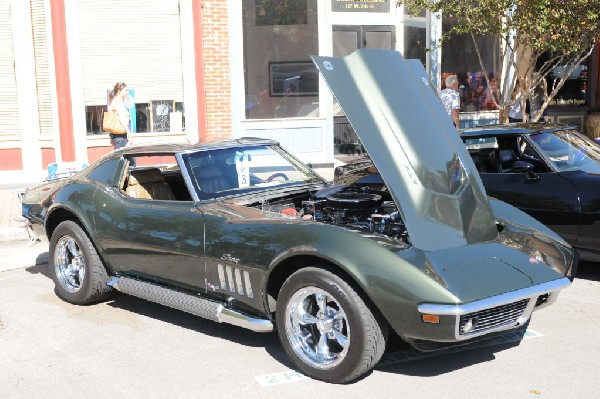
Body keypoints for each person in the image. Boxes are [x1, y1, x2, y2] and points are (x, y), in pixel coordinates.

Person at [107, 82, 131, 149]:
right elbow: (123, 122)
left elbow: (110, 121)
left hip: (116, 137)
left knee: (123, 158)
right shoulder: (119, 103)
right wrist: (130, 137)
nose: (128, 92)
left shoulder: (113, 102)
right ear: (119, 91)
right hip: (121, 138)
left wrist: (111, 137)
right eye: (126, 90)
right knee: (127, 158)